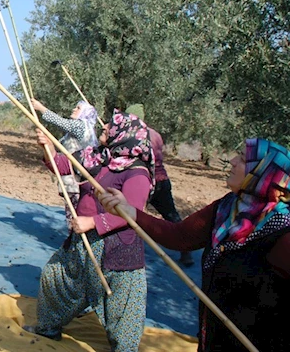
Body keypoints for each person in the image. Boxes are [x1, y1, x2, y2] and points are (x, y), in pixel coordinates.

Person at [98, 138, 290, 352]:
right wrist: (130, 211)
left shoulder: (282, 231)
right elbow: (180, 237)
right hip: (215, 336)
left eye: (244, 160)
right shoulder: (226, 209)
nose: (233, 161)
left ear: (265, 174)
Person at [24, 110, 153, 352]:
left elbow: (132, 212)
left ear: (124, 135)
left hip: (116, 249)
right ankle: (48, 328)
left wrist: (93, 222)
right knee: (56, 277)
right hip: (82, 242)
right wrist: (48, 147)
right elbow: (60, 165)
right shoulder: (98, 157)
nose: (103, 128)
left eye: (109, 128)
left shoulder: (137, 172)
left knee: (120, 303)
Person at [125, 104, 193, 267]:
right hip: (162, 180)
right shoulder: (155, 134)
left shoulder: (134, 135)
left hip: (145, 181)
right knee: (171, 215)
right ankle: (186, 251)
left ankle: (125, 250)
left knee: (130, 213)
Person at [31, 98, 99, 221]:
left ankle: (74, 237)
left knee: (75, 215)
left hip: (75, 179)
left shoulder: (81, 125)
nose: (74, 109)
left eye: (78, 108)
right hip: (75, 179)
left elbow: (61, 122)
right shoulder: (84, 130)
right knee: (74, 213)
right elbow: (59, 145)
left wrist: (40, 108)